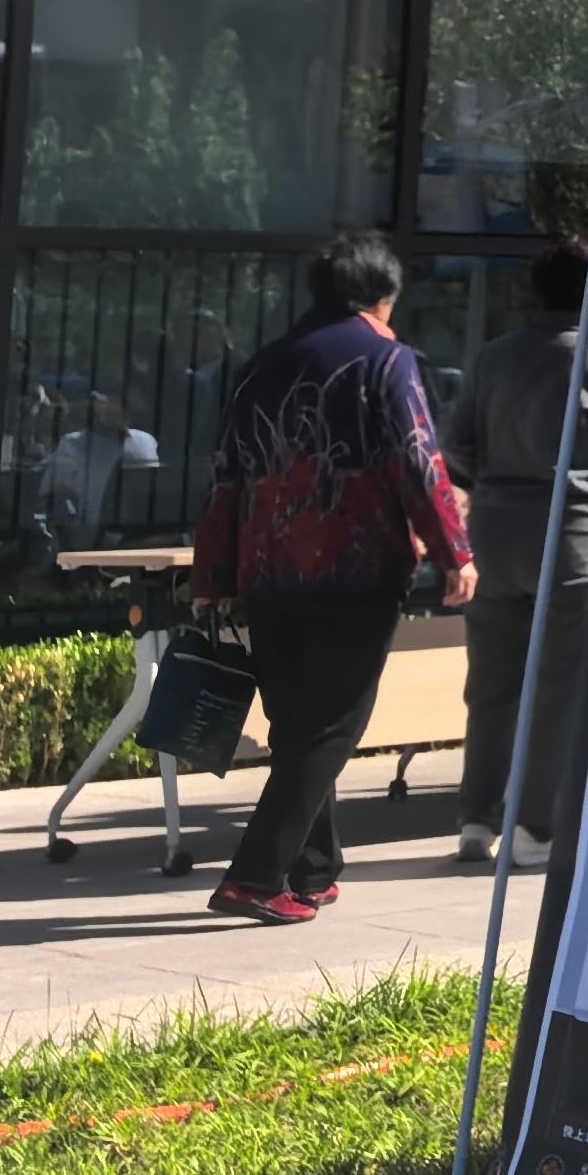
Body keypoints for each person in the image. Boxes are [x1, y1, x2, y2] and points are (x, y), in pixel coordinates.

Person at [187, 231, 470, 924]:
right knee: (333, 726)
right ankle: (255, 876)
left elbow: (226, 480)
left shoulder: (260, 366)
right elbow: (417, 462)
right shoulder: (387, 360)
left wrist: (212, 576)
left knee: (296, 725)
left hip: (267, 572)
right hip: (356, 569)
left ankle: (313, 869)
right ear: (382, 297)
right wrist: (453, 552)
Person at [447, 248, 588, 861]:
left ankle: (476, 819)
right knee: (559, 687)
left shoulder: (492, 357)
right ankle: (535, 830)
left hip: (494, 534)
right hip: (573, 535)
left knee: (490, 683)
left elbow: (458, 450)